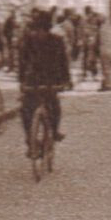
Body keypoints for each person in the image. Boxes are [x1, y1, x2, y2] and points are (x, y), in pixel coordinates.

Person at [18, 9, 73, 153]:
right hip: (37, 80)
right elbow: (23, 62)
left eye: (41, 29)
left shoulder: (54, 41)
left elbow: (62, 62)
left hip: (47, 80)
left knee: (52, 107)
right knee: (26, 110)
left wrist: (66, 80)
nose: (39, 33)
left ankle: (52, 132)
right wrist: (22, 81)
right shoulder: (32, 41)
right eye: (37, 29)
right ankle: (31, 139)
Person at [97, 13, 111, 92]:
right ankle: (106, 84)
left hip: (103, 50)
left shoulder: (101, 29)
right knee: (109, 68)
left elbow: (98, 41)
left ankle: (108, 85)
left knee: (105, 69)